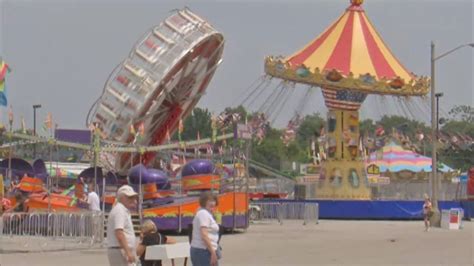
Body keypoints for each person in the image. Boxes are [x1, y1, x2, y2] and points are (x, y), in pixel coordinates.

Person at [107, 185, 138, 266]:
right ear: (122, 198)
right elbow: (119, 232)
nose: (134, 200)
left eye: (134, 197)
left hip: (121, 250)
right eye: (130, 197)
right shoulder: (120, 210)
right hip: (120, 251)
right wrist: (128, 252)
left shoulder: (122, 210)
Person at [190, 191, 221, 266]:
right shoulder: (203, 213)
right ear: (204, 202)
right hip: (203, 251)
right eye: (210, 201)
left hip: (205, 250)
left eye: (213, 200)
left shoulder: (205, 213)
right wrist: (213, 253)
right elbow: (204, 235)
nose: (212, 203)